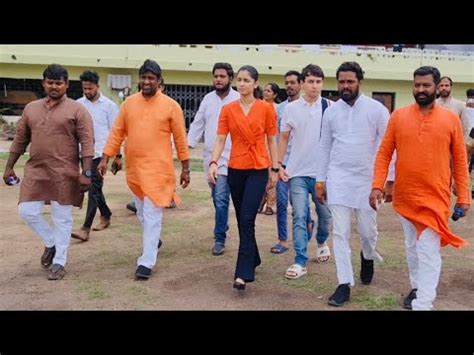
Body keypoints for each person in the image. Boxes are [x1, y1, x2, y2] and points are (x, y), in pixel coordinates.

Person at [370, 66, 470, 310]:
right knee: (412, 246)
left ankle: (424, 302)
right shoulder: (399, 116)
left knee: (428, 249)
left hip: (436, 196)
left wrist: (464, 196)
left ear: (437, 87)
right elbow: (384, 153)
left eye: (426, 85)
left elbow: (459, 159)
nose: (421, 90)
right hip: (406, 195)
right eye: (417, 85)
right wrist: (377, 185)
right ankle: (416, 287)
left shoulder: (450, 119)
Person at [98, 59, 190, 280]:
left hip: (159, 171)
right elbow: (116, 133)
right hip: (135, 170)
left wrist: (185, 168)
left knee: (151, 214)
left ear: (159, 81)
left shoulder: (171, 106)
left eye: (151, 78)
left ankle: (146, 262)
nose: (147, 81)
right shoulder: (129, 103)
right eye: (144, 77)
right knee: (141, 212)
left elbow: (180, 139)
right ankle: (154, 239)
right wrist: (105, 158)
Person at [2, 64, 94, 280]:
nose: (54, 86)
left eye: (59, 83)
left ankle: (59, 262)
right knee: (27, 210)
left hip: (65, 172)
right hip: (36, 170)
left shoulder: (77, 110)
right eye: (50, 82)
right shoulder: (31, 108)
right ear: (44, 83)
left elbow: (87, 142)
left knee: (62, 217)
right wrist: (8, 167)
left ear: (66, 85)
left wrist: (86, 173)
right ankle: (51, 242)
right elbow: (20, 139)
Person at [315, 61, 395, 307]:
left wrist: (387, 181)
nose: (345, 86)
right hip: (339, 178)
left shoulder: (377, 110)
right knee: (339, 232)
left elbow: (390, 147)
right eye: (341, 81)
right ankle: (344, 283)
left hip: (368, 181)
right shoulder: (331, 111)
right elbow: (325, 146)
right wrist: (321, 179)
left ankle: (367, 256)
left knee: (368, 232)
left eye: (350, 81)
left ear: (360, 82)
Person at [208, 65, 278, 290]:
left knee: (247, 219)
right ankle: (254, 257)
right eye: (239, 79)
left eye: (247, 80)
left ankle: (243, 272)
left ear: (255, 83)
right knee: (242, 219)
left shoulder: (266, 109)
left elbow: (272, 140)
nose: (242, 83)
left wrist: (274, 169)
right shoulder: (228, 109)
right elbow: (220, 139)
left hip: (258, 168)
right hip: (235, 169)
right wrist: (213, 162)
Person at [278, 64, 332, 280]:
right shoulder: (291, 109)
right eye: (310, 81)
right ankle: (300, 260)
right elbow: (283, 138)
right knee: (299, 215)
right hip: (297, 172)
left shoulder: (330, 107)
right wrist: (279, 165)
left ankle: (321, 240)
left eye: (318, 82)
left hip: (323, 174)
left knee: (326, 216)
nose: (314, 86)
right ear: (303, 83)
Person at [188, 63, 239, 256]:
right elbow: (198, 123)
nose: (218, 79)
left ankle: (219, 238)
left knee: (221, 198)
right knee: (218, 199)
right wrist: (188, 144)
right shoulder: (208, 100)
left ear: (230, 79)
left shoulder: (237, 99)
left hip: (234, 157)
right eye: (216, 76)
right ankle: (222, 225)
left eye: (222, 76)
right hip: (212, 159)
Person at [70, 70, 120, 242]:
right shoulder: (77, 105)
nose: (87, 91)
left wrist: (117, 156)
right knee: (94, 188)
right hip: (82, 153)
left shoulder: (109, 106)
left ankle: (85, 228)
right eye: (84, 88)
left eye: (90, 88)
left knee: (93, 189)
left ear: (98, 87)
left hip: (100, 154)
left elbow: (116, 132)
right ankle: (105, 214)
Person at [270, 71, 313, 254]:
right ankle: (282, 240)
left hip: (302, 164)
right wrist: (274, 164)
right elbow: (274, 137)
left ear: (301, 84)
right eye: (286, 82)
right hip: (284, 163)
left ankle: (308, 224)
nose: (289, 86)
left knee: (299, 204)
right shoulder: (279, 109)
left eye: (293, 82)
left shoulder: (309, 108)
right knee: (281, 202)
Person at [257, 83, 280, 216]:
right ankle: (260, 201)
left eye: (269, 91)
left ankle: (270, 204)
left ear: (275, 94)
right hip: (260, 143)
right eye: (265, 90)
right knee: (260, 176)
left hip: (272, 143)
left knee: (271, 175)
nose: (266, 93)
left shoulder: (278, 108)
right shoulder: (258, 106)